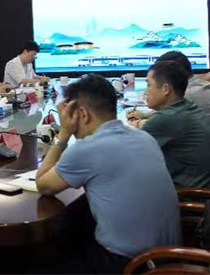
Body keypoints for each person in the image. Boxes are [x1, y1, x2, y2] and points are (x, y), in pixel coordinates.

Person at [35, 74, 180, 275]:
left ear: (82, 114)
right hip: (170, 257)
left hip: (129, 264)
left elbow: (43, 185)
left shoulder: (87, 149)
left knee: (41, 261)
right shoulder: (144, 137)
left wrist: (63, 135)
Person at [128, 61, 210, 190]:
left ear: (165, 89)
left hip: (197, 196)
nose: (145, 92)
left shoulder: (166, 118)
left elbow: (128, 154)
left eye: (149, 85)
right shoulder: (187, 106)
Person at [154, 51, 210, 156]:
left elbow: (163, 122)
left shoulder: (189, 93)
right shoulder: (197, 86)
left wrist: (140, 121)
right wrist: (145, 115)